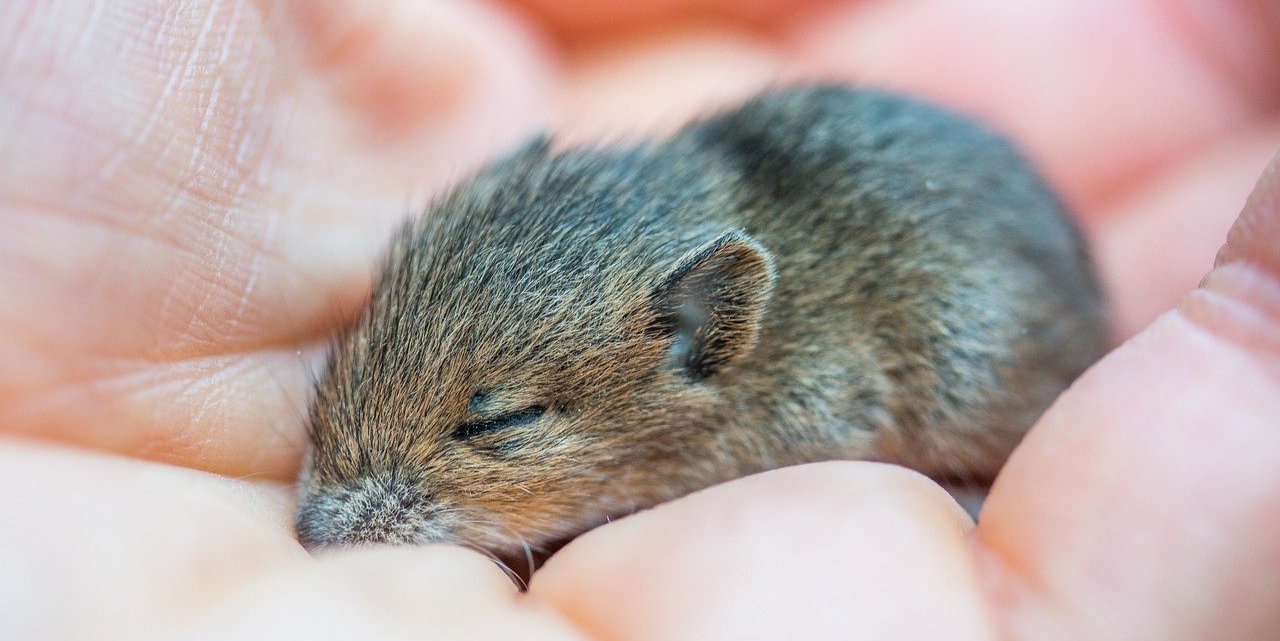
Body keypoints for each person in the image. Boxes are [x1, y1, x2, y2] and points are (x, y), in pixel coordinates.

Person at [1, 0, 1277, 638]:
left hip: (962, 263)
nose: (338, 507)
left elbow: (827, 406)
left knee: (956, 351)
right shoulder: (542, 276)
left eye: (489, 422)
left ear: (696, 339)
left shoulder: (735, 354)